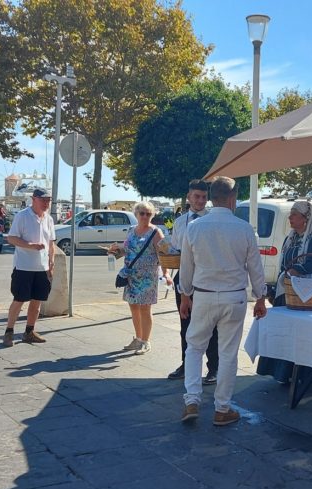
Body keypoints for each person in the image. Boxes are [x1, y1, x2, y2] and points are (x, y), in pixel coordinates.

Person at [179, 176, 267, 426]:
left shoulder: (195, 227)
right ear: (231, 198)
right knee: (228, 354)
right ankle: (222, 408)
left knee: (195, 348)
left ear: (211, 196)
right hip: (234, 297)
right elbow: (255, 268)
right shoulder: (244, 228)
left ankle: (192, 400)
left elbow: (187, 266)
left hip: (204, 295)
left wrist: (185, 294)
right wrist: (260, 297)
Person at [257, 200, 312, 383]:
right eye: (291, 214)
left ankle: (300, 375)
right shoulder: (291, 238)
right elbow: (283, 264)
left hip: (303, 295)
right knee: (282, 332)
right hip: (286, 291)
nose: (290, 217)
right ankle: (281, 374)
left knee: (297, 335)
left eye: (294, 214)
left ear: (306, 218)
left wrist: (297, 270)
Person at [167, 180, 219, 384]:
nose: (200, 201)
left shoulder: (212, 220)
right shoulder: (180, 222)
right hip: (184, 277)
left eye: (204, 197)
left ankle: (213, 368)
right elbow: (175, 249)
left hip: (206, 278)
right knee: (185, 323)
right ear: (189, 197)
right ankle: (186, 364)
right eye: (197, 196)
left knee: (211, 326)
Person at [107, 201, 172, 354]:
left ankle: (145, 341)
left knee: (145, 308)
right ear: (136, 214)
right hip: (130, 275)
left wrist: (166, 273)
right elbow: (128, 249)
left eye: (148, 214)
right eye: (142, 213)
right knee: (133, 307)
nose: (144, 216)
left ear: (152, 215)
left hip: (147, 277)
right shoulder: (131, 230)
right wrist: (115, 250)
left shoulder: (155, 232)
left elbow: (163, 254)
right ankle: (138, 338)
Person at [3, 187, 56, 347]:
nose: (46, 203)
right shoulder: (22, 216)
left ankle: (29, 331)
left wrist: (51, 262)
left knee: (37, 301)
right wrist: (30, 245)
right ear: (34, 199)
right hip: (23, 267)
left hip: (42, 268)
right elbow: (11, 238)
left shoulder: (49, 219)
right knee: (19, 300)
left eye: (48, 200)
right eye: (43, 200)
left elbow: (51, 243)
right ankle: (9, 332)